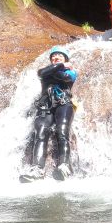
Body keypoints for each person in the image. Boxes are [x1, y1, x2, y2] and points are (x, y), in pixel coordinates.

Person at [22, 45, 77, 182]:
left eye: (59, 56)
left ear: (65, 58)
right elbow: (41, 73)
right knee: (40, 133)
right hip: (45, 107)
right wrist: (61, 65)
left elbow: (64, 78)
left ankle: (64, 166)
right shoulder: (45, 71)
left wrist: (53, 70)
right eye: (53, 56)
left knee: (62, 131)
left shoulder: (72, 72)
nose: (55, 57)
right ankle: (37, 169)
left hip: (64, 104)